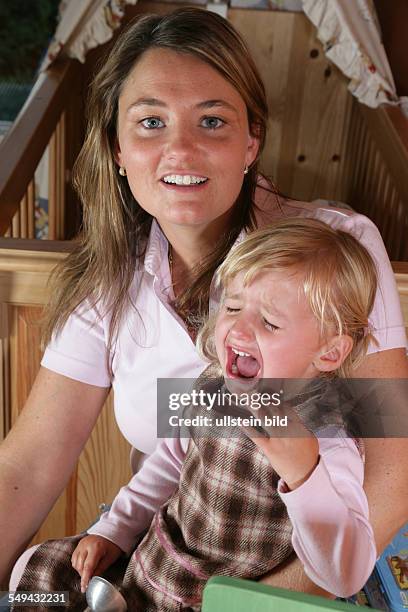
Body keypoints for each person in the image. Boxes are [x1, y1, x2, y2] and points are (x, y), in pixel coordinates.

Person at [1, 6, 407, 597]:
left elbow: (393, 476)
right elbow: (29, 465)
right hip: (168, 547)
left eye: (211, 121)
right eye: (150, 122)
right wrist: (121, 532)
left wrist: (249, 606)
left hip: (301, 572)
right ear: (117, 147)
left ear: (252, 141)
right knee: (39, 583)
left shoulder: (332, 253)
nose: (181, 150)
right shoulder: (107, 281)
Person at [12, 218, 379, 610]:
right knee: (33, 574)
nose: (238, 329)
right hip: (156, 556)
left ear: (329, 353)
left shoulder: (329, 436)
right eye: (233, 307)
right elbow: (170, 462)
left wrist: (305, 475)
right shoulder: (213, 382)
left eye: (270, 322)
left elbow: (346, 574)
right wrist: (115, 530)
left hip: (217, 597)